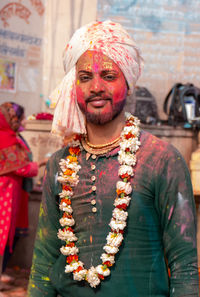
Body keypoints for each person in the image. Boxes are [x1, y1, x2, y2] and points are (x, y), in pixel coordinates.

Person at [28, 21, 199, 297]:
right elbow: (43, 261)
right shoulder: (60, 165)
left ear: (129, 83)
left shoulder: (161, 160)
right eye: (84, 77)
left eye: (108, 76)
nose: (96, 87)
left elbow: (185, 267)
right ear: (74, 86)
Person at [0, 102, 46, 294]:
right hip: (4, 195)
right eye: (12, 117)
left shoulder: (10, 137)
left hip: (11, 194)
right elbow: (23, 167)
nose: (16, 120)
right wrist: (44, 162)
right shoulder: (6, 138)